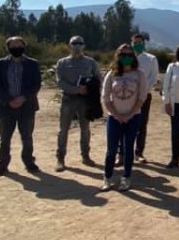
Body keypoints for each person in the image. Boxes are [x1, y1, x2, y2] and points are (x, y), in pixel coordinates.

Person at [0, 36, 42, 178]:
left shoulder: (32, 64)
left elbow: (36, 84)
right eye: (13, 47)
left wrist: (23, 98)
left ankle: (29, 163)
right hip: (5, 108)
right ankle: (2, 165)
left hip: (27, 106)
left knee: (27, 137)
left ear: (24, 47)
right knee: (4, 138)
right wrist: (8, 100)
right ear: (8, 48)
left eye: (19, 46)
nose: (16, 49)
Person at [101, 44, 148, 192]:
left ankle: (126, 178)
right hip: (114, 118)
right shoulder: (112, 74)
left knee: (128, 149)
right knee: (111, 150)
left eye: (129, 55)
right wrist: (117, 114)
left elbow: (142, 97)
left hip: (133, 117)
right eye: (123, 55)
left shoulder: (139, 74)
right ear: (118, 56)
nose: (126, 58)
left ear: (133, 57)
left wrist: (129, 114)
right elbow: (105, 97)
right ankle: (107, 178)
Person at [54, 35, 102, 171]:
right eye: (74, 43)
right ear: (69, 45)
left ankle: (86, 156)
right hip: (68, 99)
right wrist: (75, 90)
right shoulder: (62, 63)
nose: (77, 46)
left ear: (84, 46)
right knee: (63, 130)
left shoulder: (90, 62)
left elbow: (98, 78)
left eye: (80, 43)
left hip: (85, 101)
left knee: (85, 129)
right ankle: (60, 158)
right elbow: (60, 81)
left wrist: (90, 89)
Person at [121, 33, 158, 163]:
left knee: (142, 124)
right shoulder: (126, 58)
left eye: (140, 42)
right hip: (126, 96)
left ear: (144, 43)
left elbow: (153, 78)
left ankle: (139, 153)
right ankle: (123, 153)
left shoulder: (151, 59)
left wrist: (141, 90)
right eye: (135, 42)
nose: (137, 45)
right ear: (131, 43)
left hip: (144, 96)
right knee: (124, 123)